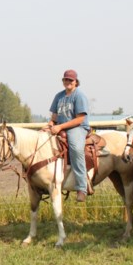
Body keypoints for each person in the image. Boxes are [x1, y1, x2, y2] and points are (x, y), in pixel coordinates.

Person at [44, 69, 91, 201]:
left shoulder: (79, 96)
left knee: (76, 148)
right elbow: (54, 116)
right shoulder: (58, 96)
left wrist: (60, 126)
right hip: (60, 127)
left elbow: (80, 119)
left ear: (76, 82)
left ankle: (82, 187)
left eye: (70, 80)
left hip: (77, 128)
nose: (68, 82)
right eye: (66, 79)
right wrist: (50, 125)